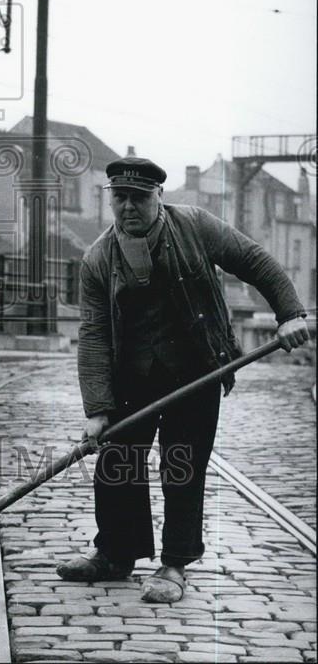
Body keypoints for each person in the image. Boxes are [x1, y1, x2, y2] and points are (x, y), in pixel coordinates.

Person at [56, 156, 310, 603]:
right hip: (132, 375)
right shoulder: (97, 258)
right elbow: (93, 334)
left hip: (197, 367)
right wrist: (97, 409)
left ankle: (174, 566)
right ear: (110, 199)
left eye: (139, 197)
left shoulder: (194, 225)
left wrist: (289, 314)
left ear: (159, 197)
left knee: (182, 467)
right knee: (116, 463)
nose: (129, 207)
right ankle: (115, 554)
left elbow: (254, 261)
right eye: (121, 198)